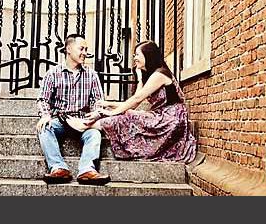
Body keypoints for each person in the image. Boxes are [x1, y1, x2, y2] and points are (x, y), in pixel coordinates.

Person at [67, 40, 196, 163]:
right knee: (128, 113)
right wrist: (109, 104)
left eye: (137, 55)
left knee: (129, 115)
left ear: (148, 56)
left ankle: (85, 125)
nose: (134, 58)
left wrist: (110, 113)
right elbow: (135, 102)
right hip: (161, 115)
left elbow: (136, 99)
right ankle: (86, 124)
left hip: (171, 119)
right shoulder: (149, 76)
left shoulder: (160, 74)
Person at [36, 33, 111, 185]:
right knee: (44, 128)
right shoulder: (53, 74)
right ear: (68, 49)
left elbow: (98, 102)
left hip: (83, 121)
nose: (85, 53)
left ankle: (87, 171)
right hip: (61, 120)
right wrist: (45, 116)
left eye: (86, 49)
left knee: (95, 134)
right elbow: (43, 99)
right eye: (81, 49)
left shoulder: (91, 75)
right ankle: (58, 168)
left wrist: (95, 115)